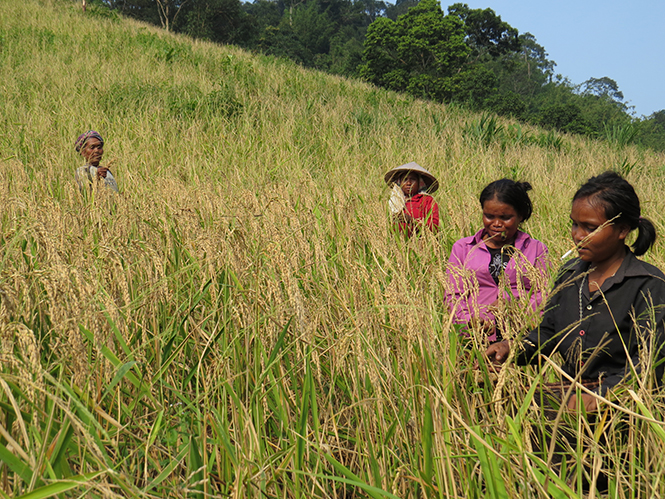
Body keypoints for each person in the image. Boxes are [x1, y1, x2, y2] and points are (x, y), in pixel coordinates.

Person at [485, 171, 665, 411]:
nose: (577, 236)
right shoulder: (571, 274)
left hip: (624, 410)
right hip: (567, 397)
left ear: (622, 230)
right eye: (574, 224)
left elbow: (651, 364)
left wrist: (604, 395)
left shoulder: (649, 285)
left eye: (590, 228)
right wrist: (513, 348)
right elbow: (549, 331)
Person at [446, 179, 548, 342]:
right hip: (475, 338)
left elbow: (543, 294)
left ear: (520, 216)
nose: (496, 224)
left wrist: (513, 307)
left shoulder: (535, 249)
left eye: (505, 218)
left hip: (521, 337)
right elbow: (453, 295)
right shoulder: (463, 248)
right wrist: (469, 322)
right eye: (489, 216)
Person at [384, 162, 439, 237]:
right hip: (397, 245)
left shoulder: (427, 200)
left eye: (412, 179)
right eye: (405, 180)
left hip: (420, 244)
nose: (409, 183)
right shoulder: (393, 201)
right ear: (400, 183)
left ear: (420, 183)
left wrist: (412, 221)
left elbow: (434, 226)